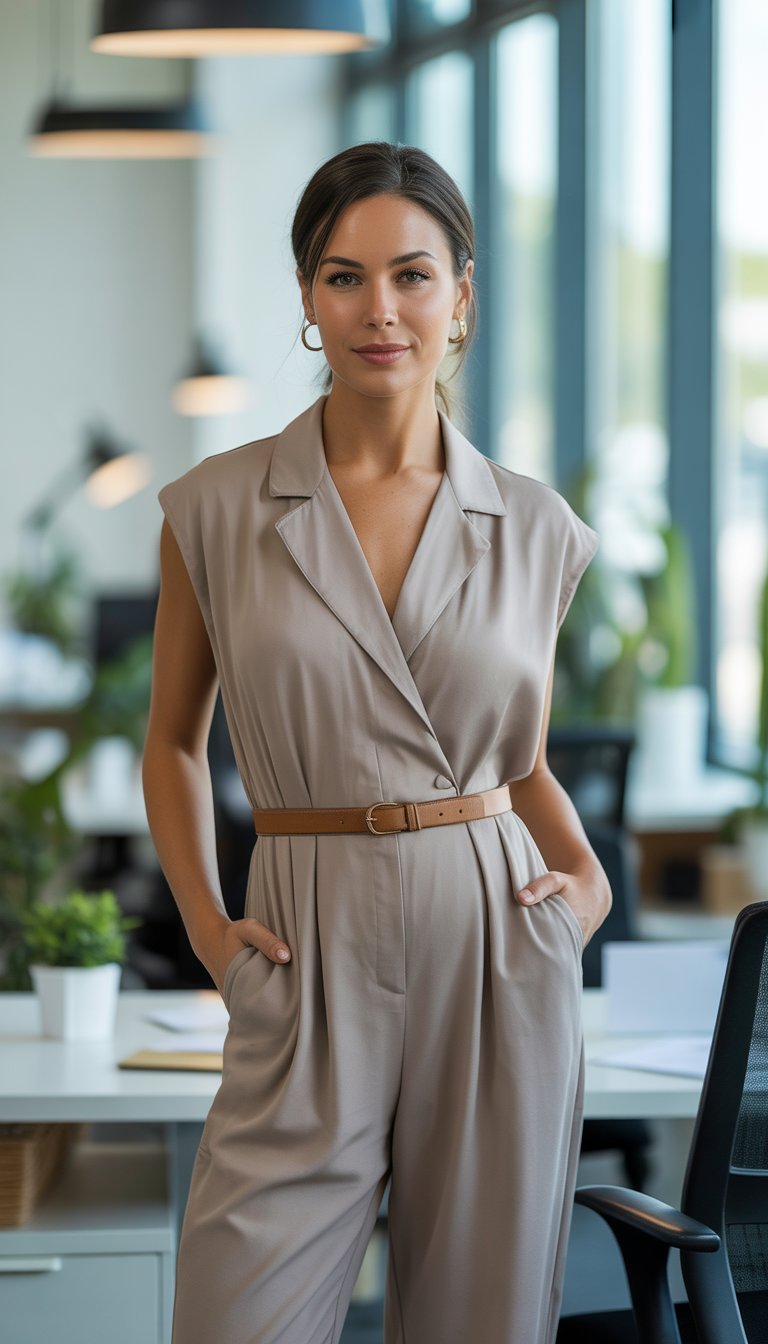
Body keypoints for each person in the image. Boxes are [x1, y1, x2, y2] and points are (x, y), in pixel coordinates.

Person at [142, 140, 611, 1344]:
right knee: (235, 1314)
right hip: (303, 936)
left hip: (495, 933)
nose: (379, 309)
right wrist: (208, 932)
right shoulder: (215, 507)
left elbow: (517, 760)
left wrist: (587, 888)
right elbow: (176, 745)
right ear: (307, 297)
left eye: (411, 274)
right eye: (343, 276)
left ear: (461, 295)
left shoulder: (539, 528)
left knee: (479, 1322)